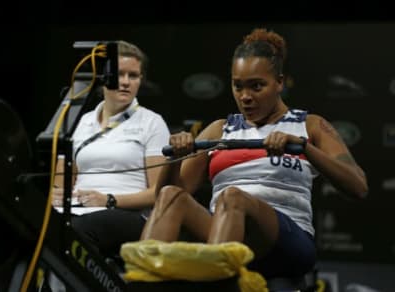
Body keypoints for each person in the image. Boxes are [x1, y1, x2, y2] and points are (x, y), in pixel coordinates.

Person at [139, 28, 368, 279]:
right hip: (223, 231)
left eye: (257, 86)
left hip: (287, 243)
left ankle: (216, 282)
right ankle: (142, 279)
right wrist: (175, 158)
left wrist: (305, 148)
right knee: (172, 196)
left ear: (279, 82)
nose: (245, 97)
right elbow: (166, 196)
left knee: (234, 197)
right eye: (238, 87)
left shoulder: (310, 125)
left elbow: (358, 186)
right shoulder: (219, 129)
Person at [52, 40, 171, 259]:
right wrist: (57, 192)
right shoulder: (79, 121)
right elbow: (61, 180)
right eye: (119, 75)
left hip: (126, 214)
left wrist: (108, 199)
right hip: (78, 209)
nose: (125, 82)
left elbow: (158, 193)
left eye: (133, 76)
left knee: (75, 231)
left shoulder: (152, 122)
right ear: (102, 79)